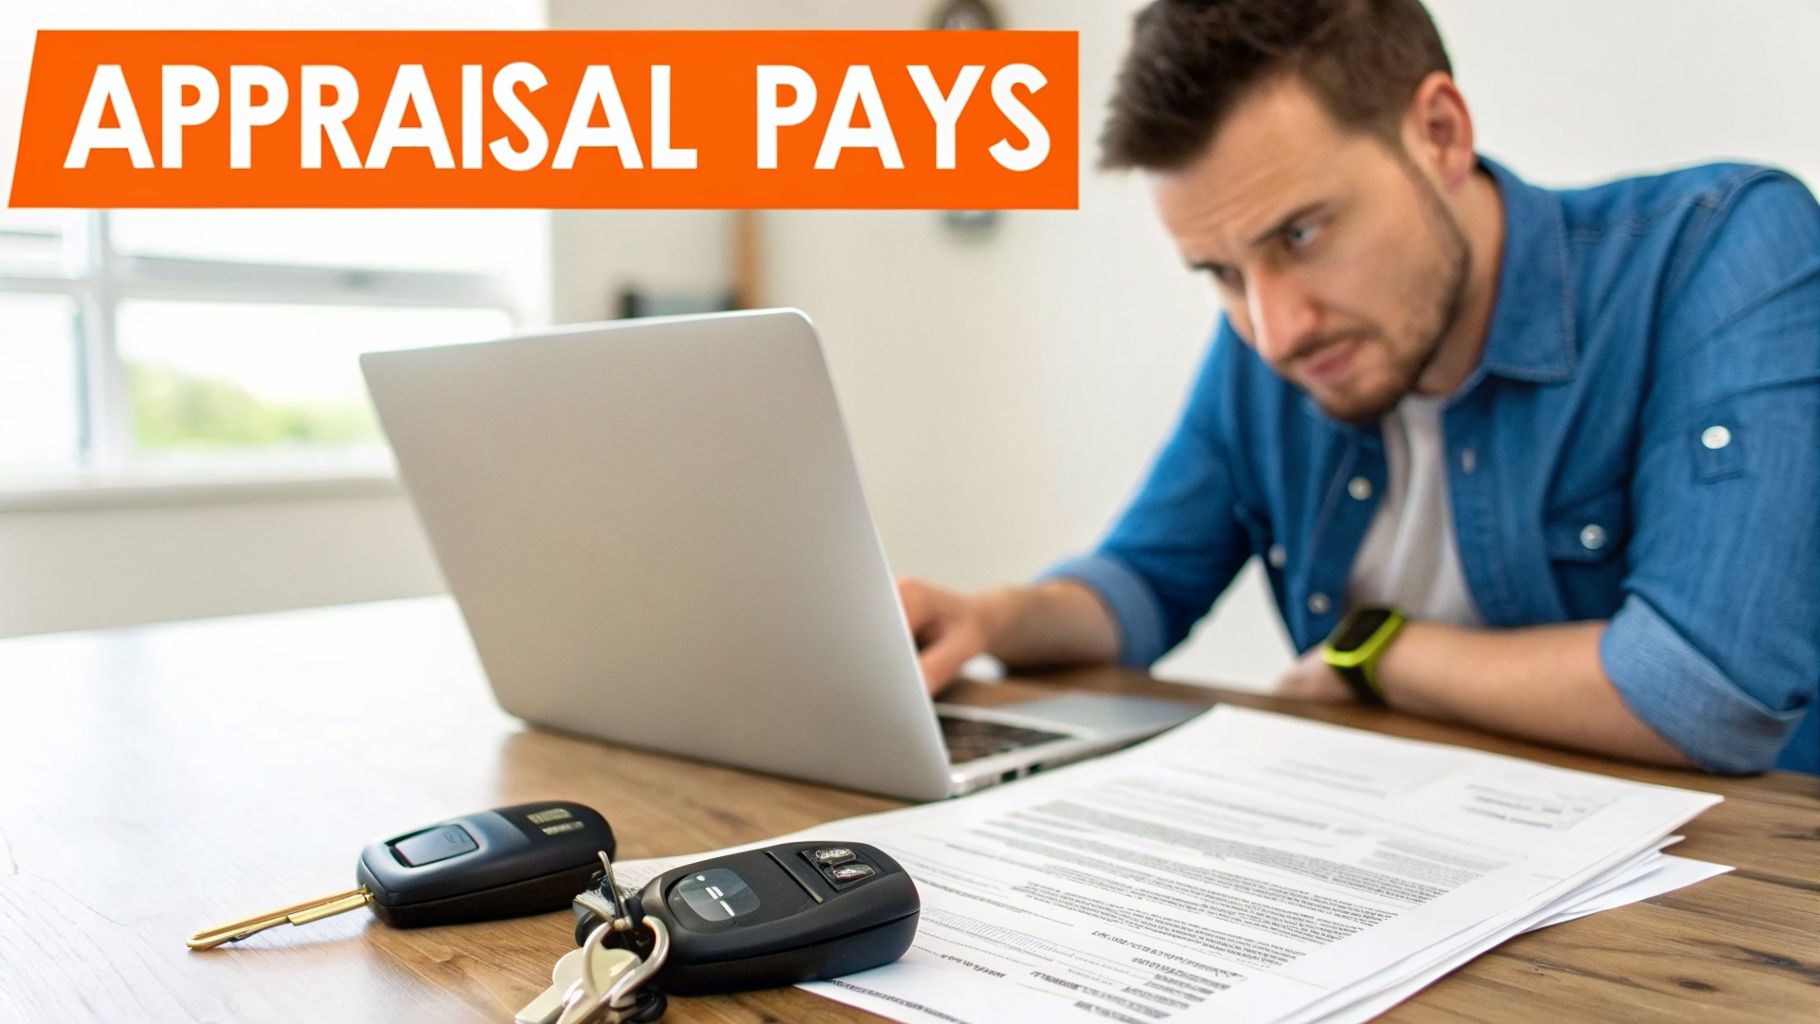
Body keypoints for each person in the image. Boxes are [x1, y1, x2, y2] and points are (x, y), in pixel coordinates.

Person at [899, 0, 1820, 774]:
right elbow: (1142, 583)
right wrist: (991, 618)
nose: (1273, 327)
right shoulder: (1271, 345)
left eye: (1300, 235)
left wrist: (1376, 653)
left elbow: (1707, 688)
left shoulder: (1721, 254)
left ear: (1441, 134)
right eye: (1219, 272)